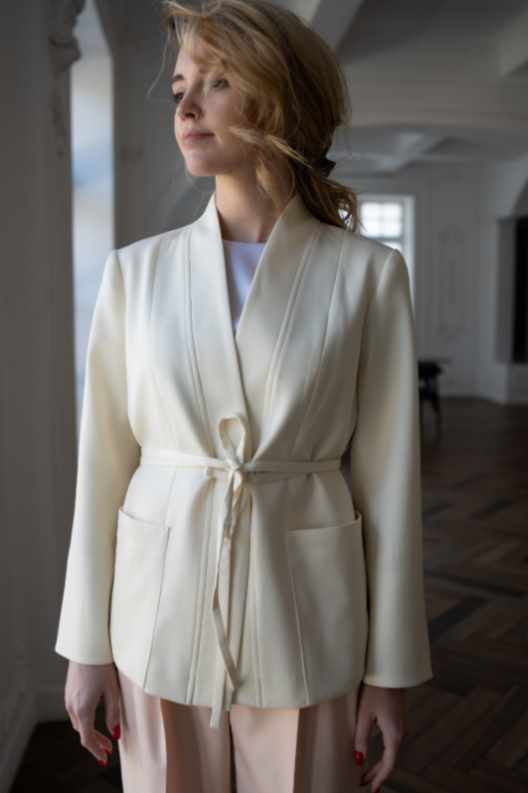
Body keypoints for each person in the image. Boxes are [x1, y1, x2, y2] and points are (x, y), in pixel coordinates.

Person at [54, 1, 434, 791]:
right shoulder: (135, 275)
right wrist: (87, 643)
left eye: (217, 82)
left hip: (306, 616)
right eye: (180, 89)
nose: (186, 107)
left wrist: (390, 671)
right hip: (156, 616)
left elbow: (390, 485)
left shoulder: (367, 277)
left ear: (281, 96)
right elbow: (102, 470)